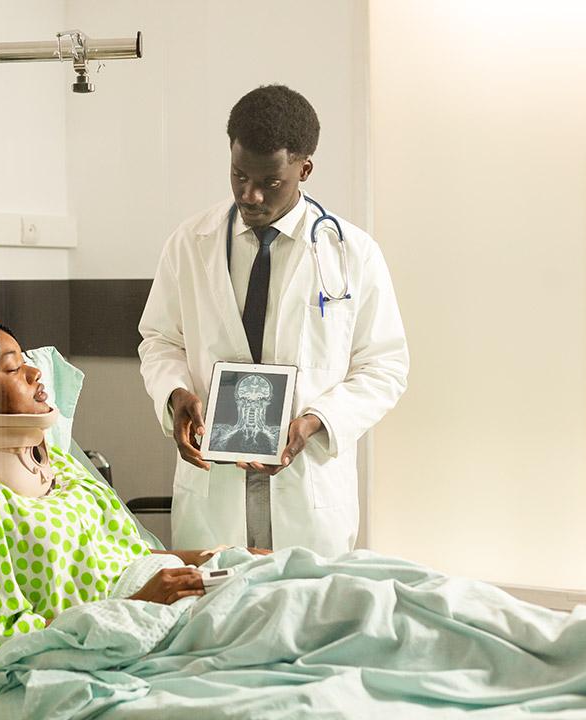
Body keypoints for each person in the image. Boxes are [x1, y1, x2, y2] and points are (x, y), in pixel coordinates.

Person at [0, 315, 267, 656]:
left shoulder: (59, 463)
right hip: (131, 625)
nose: (34, 375)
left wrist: (214, 555)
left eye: (29, 362)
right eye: (13, 370)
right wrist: (136, 603)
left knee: (291, 579)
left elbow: (129, 554)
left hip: (173, 592)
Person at [138, 85, 409, 557]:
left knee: (305, 617)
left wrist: (318, 421)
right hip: (214, 492)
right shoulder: (189, 244)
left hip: (307, 490)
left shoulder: (351, 253)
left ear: (304, 169)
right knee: (216, 615)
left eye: (271, 181)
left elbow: (384, 366)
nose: (251, 194)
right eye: (239, 176)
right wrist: (174, 394)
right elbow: (159, 340)